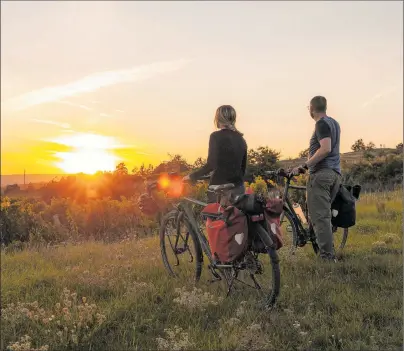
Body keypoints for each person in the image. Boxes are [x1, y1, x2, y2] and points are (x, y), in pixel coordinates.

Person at [292, 96, 342, 262]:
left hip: (321, 174)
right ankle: (328, 252)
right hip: (335, 174)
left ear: (311, 108)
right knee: (323, 216)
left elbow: (325, 148)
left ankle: (327, 259)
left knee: (320, 218)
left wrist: (304, 166)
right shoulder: (334, 123)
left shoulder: (321, 123)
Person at [183, 105, 247, 203]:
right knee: (235, 217)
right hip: (238, 189)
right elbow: (242, 170)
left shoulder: (216, 136)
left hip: (219, 190)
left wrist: (192, 176)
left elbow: (211, 164)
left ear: (218, 119)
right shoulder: (241, 139)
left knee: (211, 217)